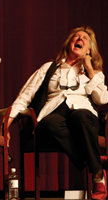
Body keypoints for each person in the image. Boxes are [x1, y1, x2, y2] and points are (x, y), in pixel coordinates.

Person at [6, 25, 108, 199]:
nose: (79, 39)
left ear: (89, 49)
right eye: (75, 37)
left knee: (81, 115)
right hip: (54, 113)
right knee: (49, 122)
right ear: (69, 43)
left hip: (83, 113)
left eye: (84, 38)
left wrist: (90, 68)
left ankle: (97, 178)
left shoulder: (94, 73)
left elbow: (102, 99)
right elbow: (25, 96)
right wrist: (6, 124)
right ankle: (96, 167)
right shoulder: (49, 67)